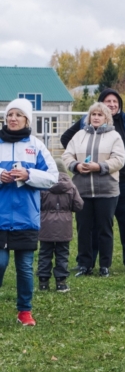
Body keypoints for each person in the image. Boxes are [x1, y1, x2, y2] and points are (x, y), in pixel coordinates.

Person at [61, 88, 125, 273]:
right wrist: (80, 158)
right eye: (108, 101)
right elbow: (66, 138)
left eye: (115, 102)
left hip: (123, 179)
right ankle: (89, 262)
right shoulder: (86, 122)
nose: (112, 105)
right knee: (97, 223)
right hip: (92, 181)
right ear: (100, 105)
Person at [0, 99, 58, 326]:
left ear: (27, 119)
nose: (12, 118)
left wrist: (28, 175)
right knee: (1, 263)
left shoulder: (36, 145)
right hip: (1, 218)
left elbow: (52, 177)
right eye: (9, 114)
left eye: (18, 115)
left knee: (24, 268)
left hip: (26, 218)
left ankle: (24, 311)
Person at [62, 102, 125, 277]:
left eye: (100, 114)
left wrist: (100, 166)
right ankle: (84, 264)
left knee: (104, 229)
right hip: (82, 191)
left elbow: (119, 159)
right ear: (89, 117)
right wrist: (76, 165)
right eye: (93, 114)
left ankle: (104, 265)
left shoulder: (114, 136)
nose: (96, 117)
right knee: (84, 228)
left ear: (106, 117)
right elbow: (67, 155)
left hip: (107, 191)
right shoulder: (79, 135)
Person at [37, 159, 84, 293]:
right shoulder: (71, 186)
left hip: (45, 226)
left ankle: (43, 282)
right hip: (64, 227)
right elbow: (79, 205)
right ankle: (61, 282)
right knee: (62, 254)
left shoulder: (43, 185)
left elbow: (36, 204)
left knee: (45, 253)